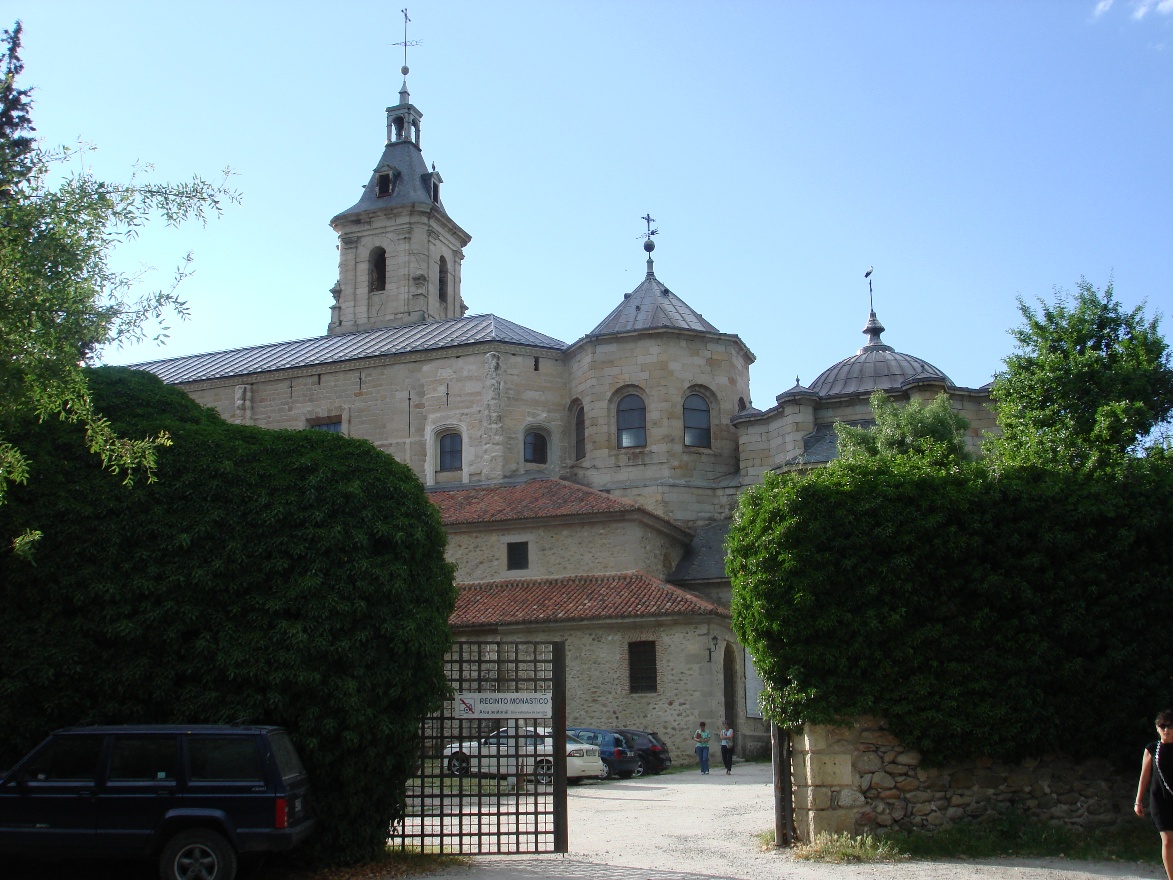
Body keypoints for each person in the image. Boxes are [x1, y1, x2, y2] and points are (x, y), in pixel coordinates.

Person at [1136, 708, 1173, 880]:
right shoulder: (1152, 749)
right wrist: (1138, 801)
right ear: (1157, 728)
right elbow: (1144, 776)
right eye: (1162, 726)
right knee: (1168, 840)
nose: (1166, 729)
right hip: (1160, 800)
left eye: (1170, 726)